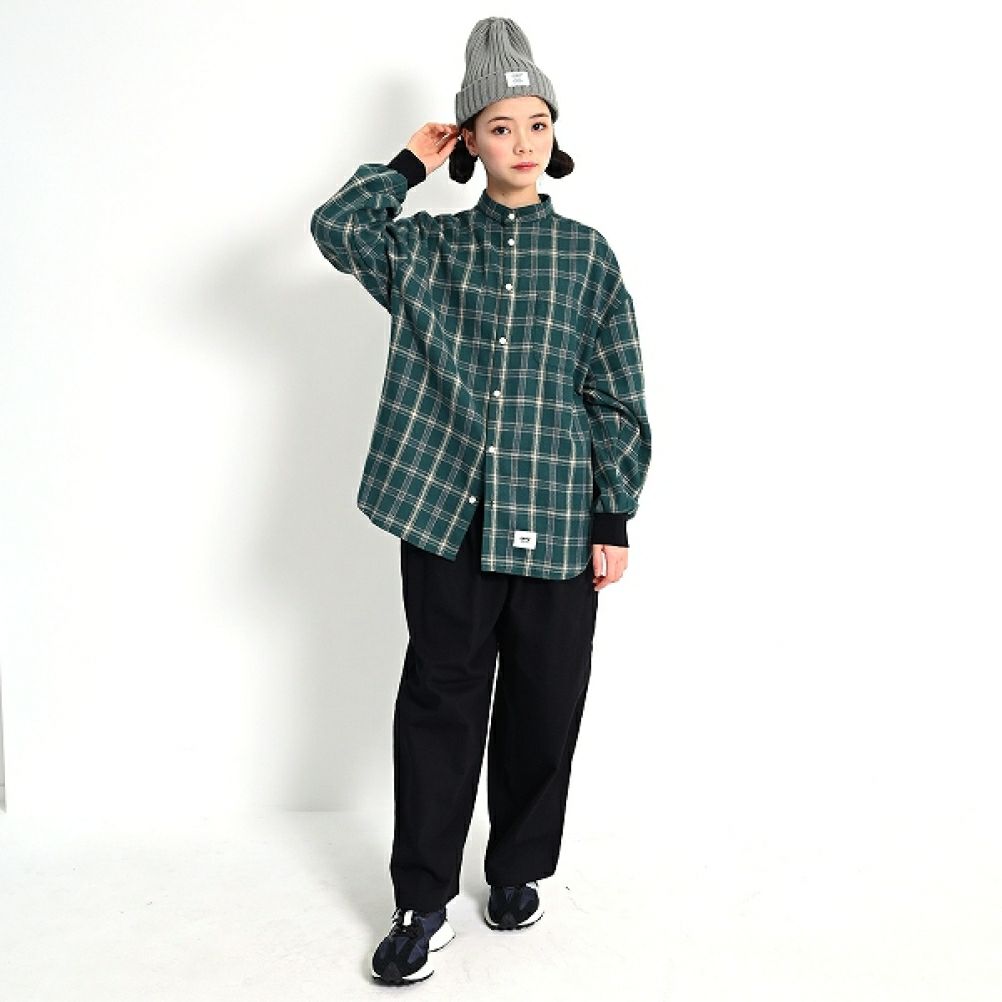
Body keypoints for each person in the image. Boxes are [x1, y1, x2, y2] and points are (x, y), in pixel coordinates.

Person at [310, 16, 652, 987]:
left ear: (556, 135)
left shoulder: (587, 257)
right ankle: (422, 901)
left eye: (538, 122)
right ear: (471, 139)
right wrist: (407, 165)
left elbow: (615, 392)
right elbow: (336, 230)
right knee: (440, 704)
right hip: (446, 513)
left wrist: (612, 516)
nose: (523, 141)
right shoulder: (425, 250)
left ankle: (516, 871)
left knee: (546, 701)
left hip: (559, 515)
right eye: (500, 126)